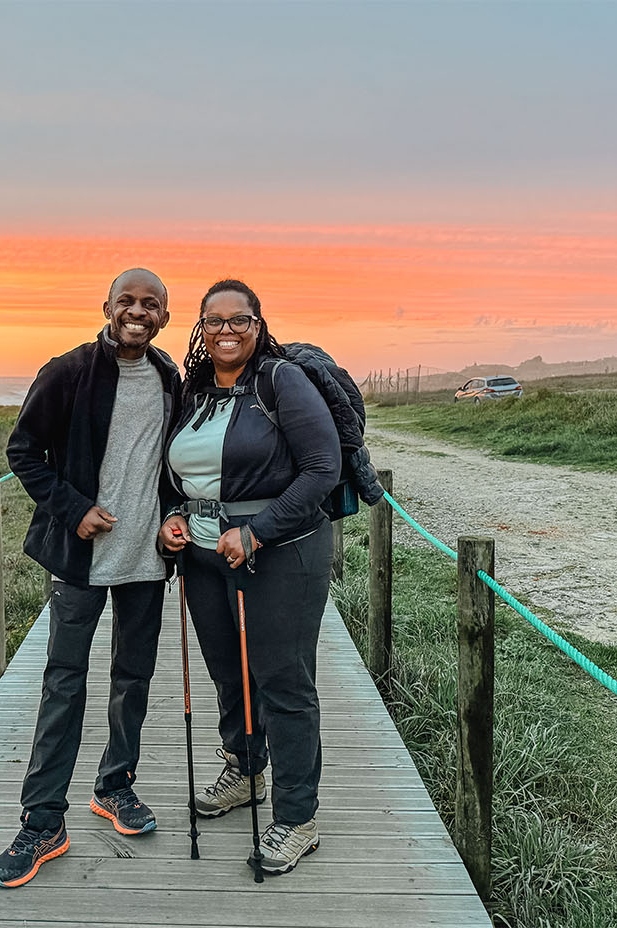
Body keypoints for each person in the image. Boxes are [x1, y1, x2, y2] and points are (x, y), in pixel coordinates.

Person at [0, 268, 181, 888]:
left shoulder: (169, 377)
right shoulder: (67, 371)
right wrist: (73, 509)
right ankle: (44, 820)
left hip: (146, 561)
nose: (137, 312)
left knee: (133, 678)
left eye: (150, 304)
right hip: (80, 561)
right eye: (127, 301)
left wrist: (173, 517)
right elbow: (23, 452)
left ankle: (115, 786)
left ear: (164, 317)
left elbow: (172, 466)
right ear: (106, 307)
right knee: (64, 684)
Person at [157, 279, 339, 875]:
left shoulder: (281, 381)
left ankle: (297, 817)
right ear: (200, 329)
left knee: (283, 681)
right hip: (204, 555)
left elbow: (322, 468)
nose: (226, 330)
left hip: (283, 552)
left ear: (258, 326)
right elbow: (182, 473)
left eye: (240, 320)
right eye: (214, 321)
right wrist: (173, 516)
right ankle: (245, 769)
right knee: (229, 673)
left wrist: (257, 530)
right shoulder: (195, 390)